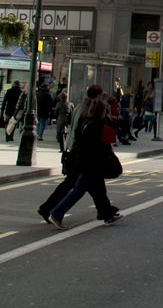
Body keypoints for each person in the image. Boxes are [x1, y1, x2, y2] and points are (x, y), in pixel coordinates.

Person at [38, 87, 123, 229]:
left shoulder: (84, 108)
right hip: (81, 156)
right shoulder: (87, 113)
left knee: (95, 187)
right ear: (96, 97)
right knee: (76, 187)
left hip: (80, 155)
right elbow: (86, 137)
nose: (103, 98)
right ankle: (53, 211)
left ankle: (105, 212)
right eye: (101, 96)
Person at [54, 85, 73, 150]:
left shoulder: (59, 104)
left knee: (60, 133)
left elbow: (55, 112)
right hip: (66, 119)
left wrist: (55, 117)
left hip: (60, 119)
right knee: (64, 133)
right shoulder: (70, 104)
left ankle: (62, 147)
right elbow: (71, 112)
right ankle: (64, 147)